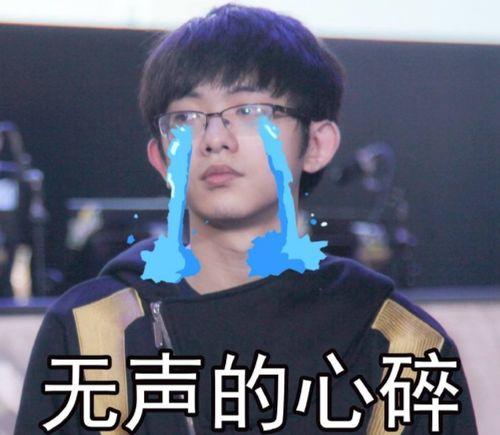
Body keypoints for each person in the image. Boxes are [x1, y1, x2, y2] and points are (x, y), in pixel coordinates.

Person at [16, 4, 477, 434]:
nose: (215, 138)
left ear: (317, 144)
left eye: (250, 111)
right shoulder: (93, 332)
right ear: (161, 158)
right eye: (186, 118)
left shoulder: (401, 346)